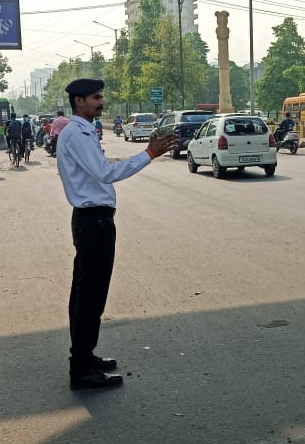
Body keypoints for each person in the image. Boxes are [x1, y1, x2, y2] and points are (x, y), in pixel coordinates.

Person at [56, 78, 177, 390]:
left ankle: (84, 356)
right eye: (96, 98)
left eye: (101, 97)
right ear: (78, 101)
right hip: (92, 222)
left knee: (84, 295)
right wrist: (148, 154)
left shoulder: (81, 131)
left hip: (92, 221)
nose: (101, 102)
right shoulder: (78, 134)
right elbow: (106, 173)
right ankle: (81, 369)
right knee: (90, 297)